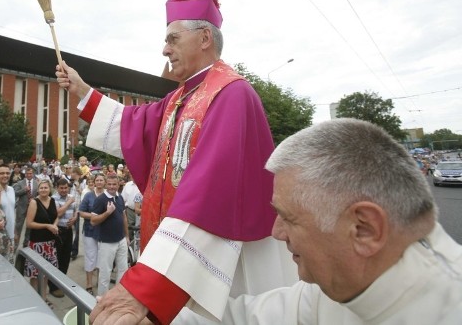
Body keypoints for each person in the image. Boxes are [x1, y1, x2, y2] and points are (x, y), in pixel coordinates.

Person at [57, 0, 295, 323]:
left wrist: (146, 288)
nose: (164, 49)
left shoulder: (231, 94)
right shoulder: (179, 99)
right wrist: (83, 91)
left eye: (172, 39)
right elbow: (133, 124)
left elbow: (209, 195)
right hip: (176, 251)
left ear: (204, 39)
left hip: (220, 263)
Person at [173, 118, 462, 324]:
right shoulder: (331, 288)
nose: (275, 233)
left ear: (364, 229)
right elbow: (243, 318)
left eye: (287, 217)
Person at [91, 173, 129, 296]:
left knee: (123, 270)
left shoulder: (120, 198)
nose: (112, 187)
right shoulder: (100, 200)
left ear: (119, 184)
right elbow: (93, 221)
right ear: (106, 184)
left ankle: (117, 297)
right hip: (107, 242)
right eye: (110, 184)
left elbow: (124, 217)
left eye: (114, 184)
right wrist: (107, 213)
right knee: (105, 273)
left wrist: (127, 236)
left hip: (121, 240)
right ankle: (101, 300)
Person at [24, 179, 59, 307]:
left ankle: (44, 298)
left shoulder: (53, 200)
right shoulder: (34, 202)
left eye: (46, 187)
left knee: (46, 274)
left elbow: (56, 216)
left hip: (50, 243)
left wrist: (54, 225)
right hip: (37, 243)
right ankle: (35, 299)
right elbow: (29, 223)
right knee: (35, 274)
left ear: (50, 189)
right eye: (41, 188)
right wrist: (47, 226)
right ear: (38, 190)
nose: (44, 190)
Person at [49, 178, 78, 298]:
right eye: (61, 188)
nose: (64, 190)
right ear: (57, 188)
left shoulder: (71, 197)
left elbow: (77, 211)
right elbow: (58, 213)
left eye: (66, 188)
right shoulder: (54, 199)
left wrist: (75, 218)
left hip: (69, 230)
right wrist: (68, 202)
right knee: (57, 258)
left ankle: (62, 282)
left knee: (66, 257)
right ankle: (53, 286)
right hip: (58, 231)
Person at [78, 173, 104, 294]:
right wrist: (95, 216)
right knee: (90, 257)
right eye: (97, 180)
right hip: (89, 231)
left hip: (104, 232)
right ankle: (89, 284)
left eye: (101, 180)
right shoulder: (88, 195)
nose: (99, 182)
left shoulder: (108, 195)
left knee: (102, 257)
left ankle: (99, 281)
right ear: (94, 182)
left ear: (104, 182)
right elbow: (81, 212)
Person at [0, 163, 16, 260]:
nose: (5, 175)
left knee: (9, 266)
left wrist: (14, 231)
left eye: (7, 173)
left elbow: (11, 211)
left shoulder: (11, 190)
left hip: (10, 235)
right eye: (2, 173)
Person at [14, 167, 36, 247]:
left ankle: (26, 245)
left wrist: (34, 199)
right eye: (27, 174)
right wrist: (24, 190)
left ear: (33, 174)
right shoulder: (20, 183)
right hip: (21, 208)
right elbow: (15, 193)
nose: (29, 175)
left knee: (29, 227)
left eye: (30, 173)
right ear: (25, 174)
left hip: (32, 208)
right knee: (18, 227)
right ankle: (15, 245)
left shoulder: (36, 183)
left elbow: (39, 194)